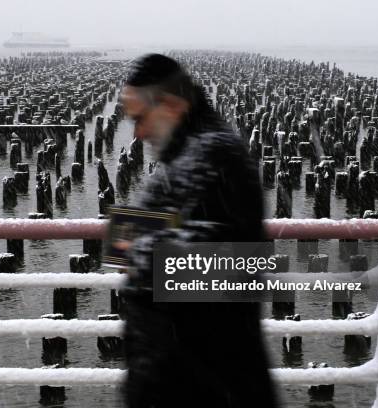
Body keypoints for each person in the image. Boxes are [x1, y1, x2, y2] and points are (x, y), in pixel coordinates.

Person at [117, 54, 279, 408]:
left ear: (172, 106)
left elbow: (234, 271)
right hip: (192, 381)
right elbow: (130, 244)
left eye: (140, 119)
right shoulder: (187, 160)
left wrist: (141, 253)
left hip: (209, 387)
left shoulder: (217, 159)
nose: (138, 133)